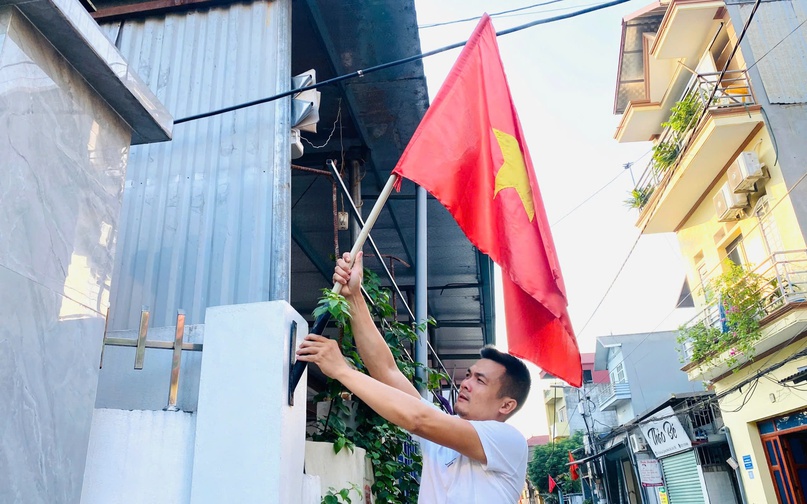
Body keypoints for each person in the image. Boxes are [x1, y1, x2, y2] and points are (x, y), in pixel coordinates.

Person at [296, 252, 532, 504]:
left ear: (506, 405)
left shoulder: (508, 441)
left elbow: (418, 419)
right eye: (468, 375)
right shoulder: (443, 431)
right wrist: (354, 297)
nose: (466, 383)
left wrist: (343, 370)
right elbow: (387, 372)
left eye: (480, 380)